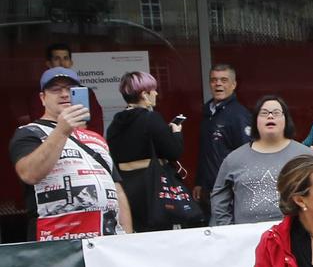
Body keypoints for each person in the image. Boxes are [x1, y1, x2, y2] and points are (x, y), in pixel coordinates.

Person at [11, 67, 129, 239]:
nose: (65, 94)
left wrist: (127, 236)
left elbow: (117, 190)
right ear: (43, 98)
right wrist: (61, 131)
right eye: (56, 89)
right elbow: (29, 174)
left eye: (70, 89)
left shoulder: (96, 138)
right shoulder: (29, 133)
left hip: (106, 240)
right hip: (58, 242)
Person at [209, 97, 309, 228]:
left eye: (276, 112)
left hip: (295, 236)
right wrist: (228, 229)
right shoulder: (234, 158)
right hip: (245, 239)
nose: (270, 116)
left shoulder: (305, 156)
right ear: (255, 120)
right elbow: (219, 197)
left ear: (286, 119)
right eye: (264, 113)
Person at [106, 71, 187, 233]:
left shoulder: (115, 123)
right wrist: (176, 133)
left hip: (126, 188)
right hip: (152, 187)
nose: (156, 93)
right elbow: (174, 152)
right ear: (144, 95)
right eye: (153, 90)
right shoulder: (151, 118)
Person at [198, 63, 253, 208]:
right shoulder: (207, 113)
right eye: (214, 80)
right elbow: (205, 152)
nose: (218, 84)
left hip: (230, 189)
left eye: (223, 80)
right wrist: (199, 182)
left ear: (234, 84)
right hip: (209, 189)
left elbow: (246, 154)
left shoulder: (239, 115)